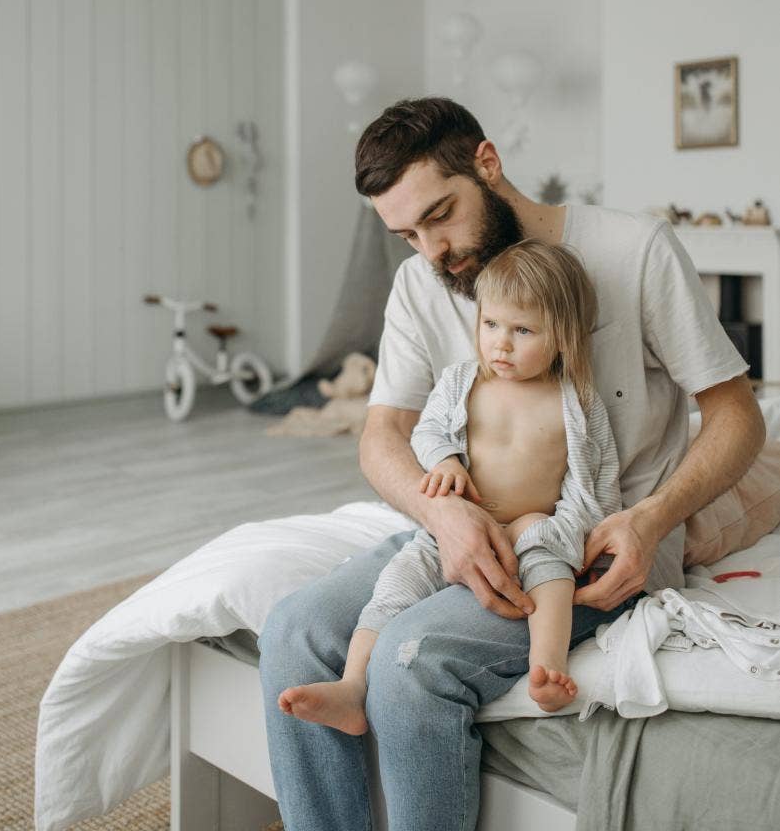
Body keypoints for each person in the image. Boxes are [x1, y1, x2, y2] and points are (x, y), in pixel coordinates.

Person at [258, 97, 764, 831]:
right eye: (406, 234)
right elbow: (382, 435)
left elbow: (735, 413)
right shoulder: (421, 282)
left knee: (409, 659)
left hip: (586, 555)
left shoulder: (635, 250)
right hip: (461, 527)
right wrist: (441, 513)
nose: (430, 250)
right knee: (293, 630)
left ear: (487, 165)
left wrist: (652, 520)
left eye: (439, 216)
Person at [277, 240, 621, 731]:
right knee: (396, 586)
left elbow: (598, 479)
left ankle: (548, 668)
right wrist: (446, 461)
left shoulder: (576, 402)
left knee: (553, 574)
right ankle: (352, 687)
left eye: (522, 330)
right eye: (491, 325)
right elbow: (428, 431)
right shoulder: (464, 381)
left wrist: (582, 537)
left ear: (563, 336)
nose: (501, 343)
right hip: (457, 522)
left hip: (533, 524)